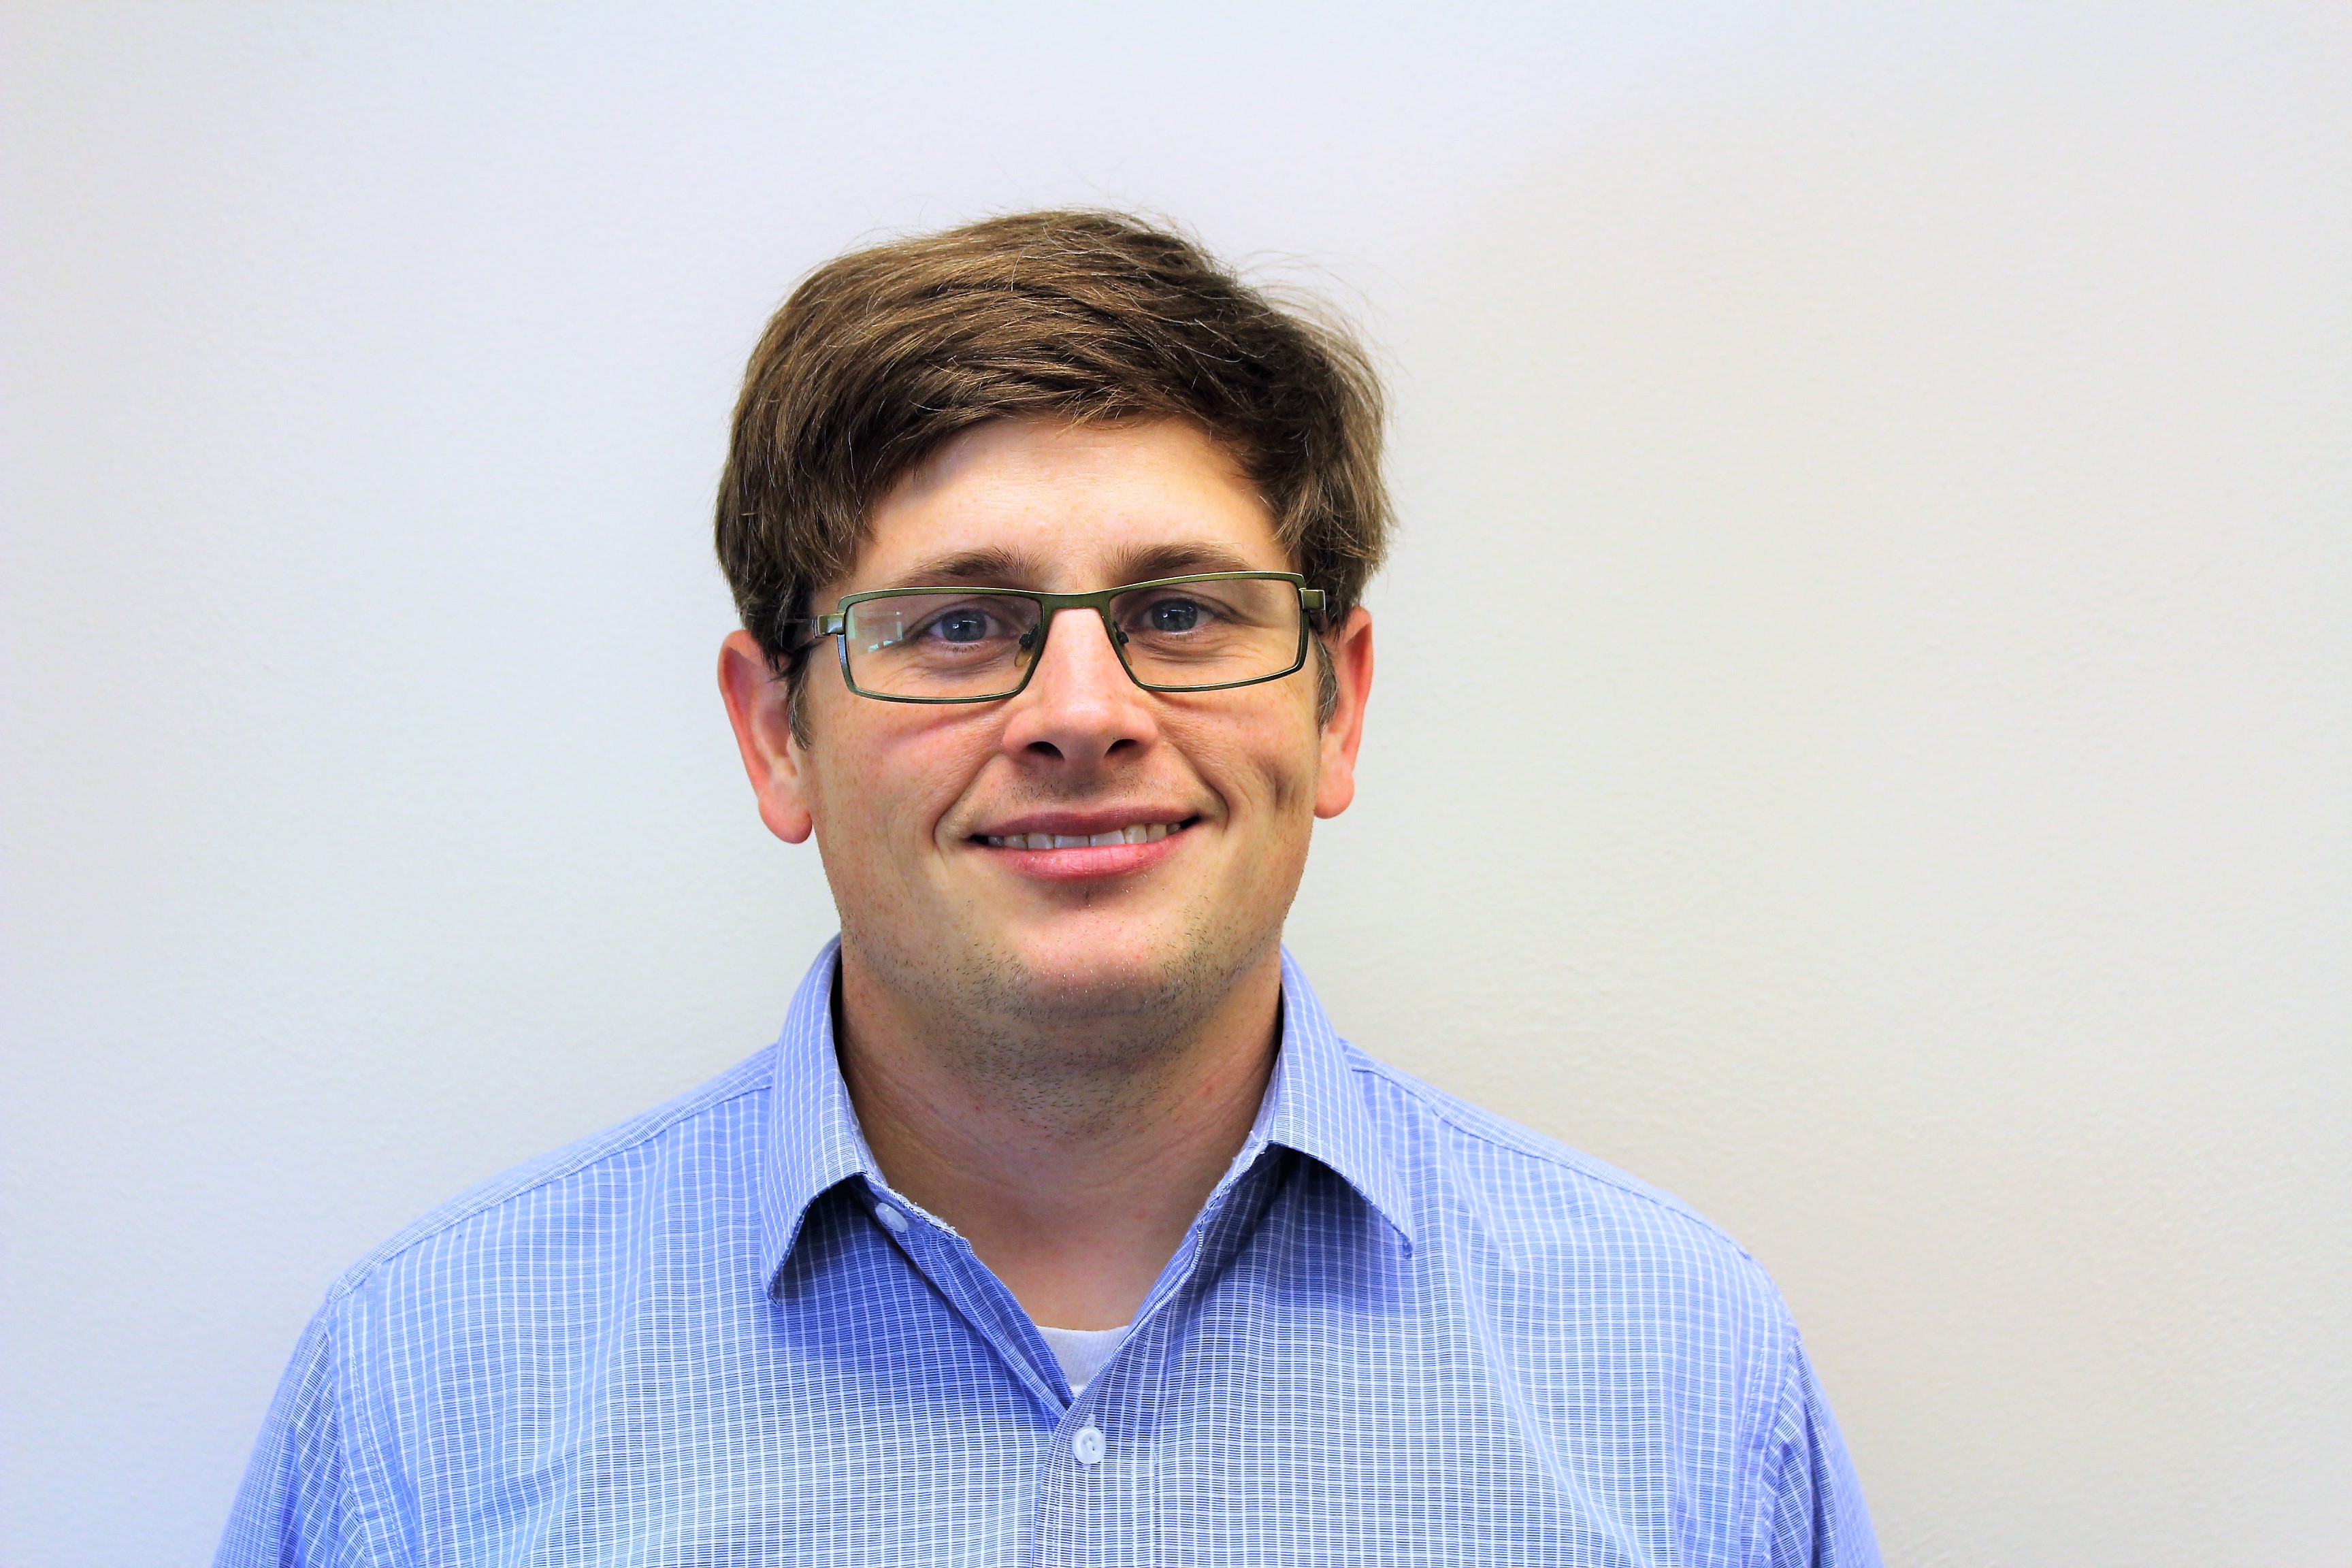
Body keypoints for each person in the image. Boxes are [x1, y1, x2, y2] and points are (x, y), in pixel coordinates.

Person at [218, 210, 1878, 1566]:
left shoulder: (1677, 1368)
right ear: (776, 734)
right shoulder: (428, 1392)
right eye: (957, 625)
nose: (1084, 714)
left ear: (1339, 705)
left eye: (1183, 613)